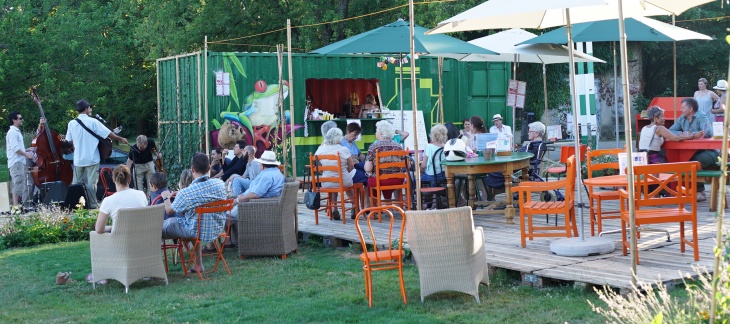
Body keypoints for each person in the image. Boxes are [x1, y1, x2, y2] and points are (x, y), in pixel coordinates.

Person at [160, 153, 227, 272]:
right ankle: (199, 265)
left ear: (192, 169)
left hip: (195, 230)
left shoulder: (186, 193)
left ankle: (154, 266)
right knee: (195, 221)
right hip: (216, 229)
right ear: (209, 168)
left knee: (158, 228)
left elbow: (169, 210)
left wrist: (166, 197)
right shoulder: (220, 185)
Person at [65, 99, 128, 209]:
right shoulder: (93, 122)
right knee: (91, 183)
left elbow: (68, 141)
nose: (91, 109)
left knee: (76, 183)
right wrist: (121, 138)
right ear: (85, 109)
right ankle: (93, 205)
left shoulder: (72, 123)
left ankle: (76, 205)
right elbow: (109, 134)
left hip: (78, 159)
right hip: (92, 158)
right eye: (90, 107)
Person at [668, 97, 713, 202]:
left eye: (683, 108)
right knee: (684, 161)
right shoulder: (682, 118)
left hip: (708, 151)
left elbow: (709, 132)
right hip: (689, 152)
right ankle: (684, 190)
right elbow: (670, 131)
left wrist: (690, 135)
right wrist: (691, 135)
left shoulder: (701, 116)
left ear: (690, 109)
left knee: (694, 162)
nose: (681, 110)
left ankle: (700, 192)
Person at [315, 128, 358, 220]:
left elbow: (318, 169)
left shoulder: (320, 150)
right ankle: (354, 206)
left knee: (334, 180)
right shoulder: (343, 149)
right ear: (339, 138)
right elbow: (351, 167)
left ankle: (334, 208)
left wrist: (327, 172)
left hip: (326, 182)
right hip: (342, 181)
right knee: (347, 180)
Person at [94, 165, 148, 233]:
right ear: (129, 179)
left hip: (120, 242)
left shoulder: (108, 200)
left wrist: (113, 228)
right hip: (142, 239)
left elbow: (99, 229)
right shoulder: (141, 194)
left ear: (113, 179)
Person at [365, 121, 406, 206]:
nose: (375, 133)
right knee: (386, 177)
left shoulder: (374, 146)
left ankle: (375, 207)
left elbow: (368, 168)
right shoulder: (398, 146)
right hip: (398, 180)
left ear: (381, 133)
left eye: (376, 131)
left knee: (371, 179)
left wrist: (368, 171)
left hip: (381, 181)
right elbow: (406, 164)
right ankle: (389, 204)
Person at [6, 112, 40, 207]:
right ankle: (15, 207)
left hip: (20, 161)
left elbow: (17, 148)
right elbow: (15, 149)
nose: (22, 120)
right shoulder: (12, 132)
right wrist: (27, 155)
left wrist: (27, 149)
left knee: (23, 183)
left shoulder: (16, 131)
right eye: (20, 118)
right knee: (17, 184)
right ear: (14, 120)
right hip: (16, 162)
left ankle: (23, 206)